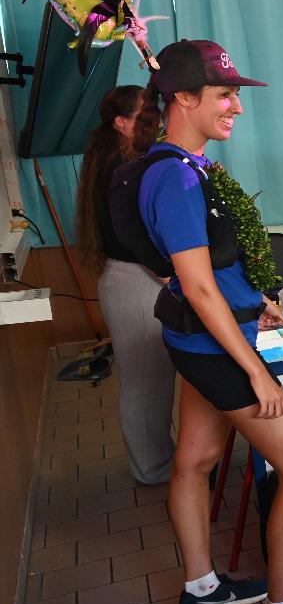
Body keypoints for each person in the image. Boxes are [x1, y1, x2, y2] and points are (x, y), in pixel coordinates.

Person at [137, 40, 283, 604]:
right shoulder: (175, 176)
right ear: (183, 97)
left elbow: (212, 271)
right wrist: (257, 373)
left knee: (195, 459)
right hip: (215, 349)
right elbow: (196, 285)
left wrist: (254, 301)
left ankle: (201, 589)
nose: (237, 107)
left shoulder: (189, 165)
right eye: (225, 95)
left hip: (202, 340)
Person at [75, 86, 174, 486]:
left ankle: (158, 460)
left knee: (153, 382)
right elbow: (133, 239)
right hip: (135, 282)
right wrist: (171, 275)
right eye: (145, 116)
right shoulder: (120, 166)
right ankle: (152, 469)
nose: (156, 122)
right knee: (145, 385)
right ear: (120, 122)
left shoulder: (119, 159)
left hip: (134, 279)